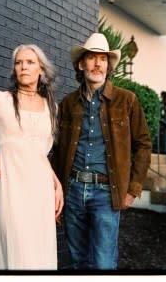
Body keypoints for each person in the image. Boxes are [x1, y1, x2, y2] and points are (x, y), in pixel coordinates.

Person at [52, 32, 152, 270]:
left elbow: (143, 144)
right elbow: (57, 150)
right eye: (92, 58)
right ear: (81, 63)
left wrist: (132, 189)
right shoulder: (67, 104)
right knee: (78, 261)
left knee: (102, 264)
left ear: (108, 66)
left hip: (106, 192)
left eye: (103, 59)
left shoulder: (126, 101)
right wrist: (55, 194)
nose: (97, 64)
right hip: (73, 191)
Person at [0, 44, 64, 270]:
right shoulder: (1, 101)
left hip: (41, 193)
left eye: (29, 62)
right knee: (19, 258)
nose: (23, 67)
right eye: (18, 63)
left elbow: (39, 154)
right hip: (12, 192)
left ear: (41, 70)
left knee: (40, 257)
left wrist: (57, 185)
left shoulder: (51, 107)